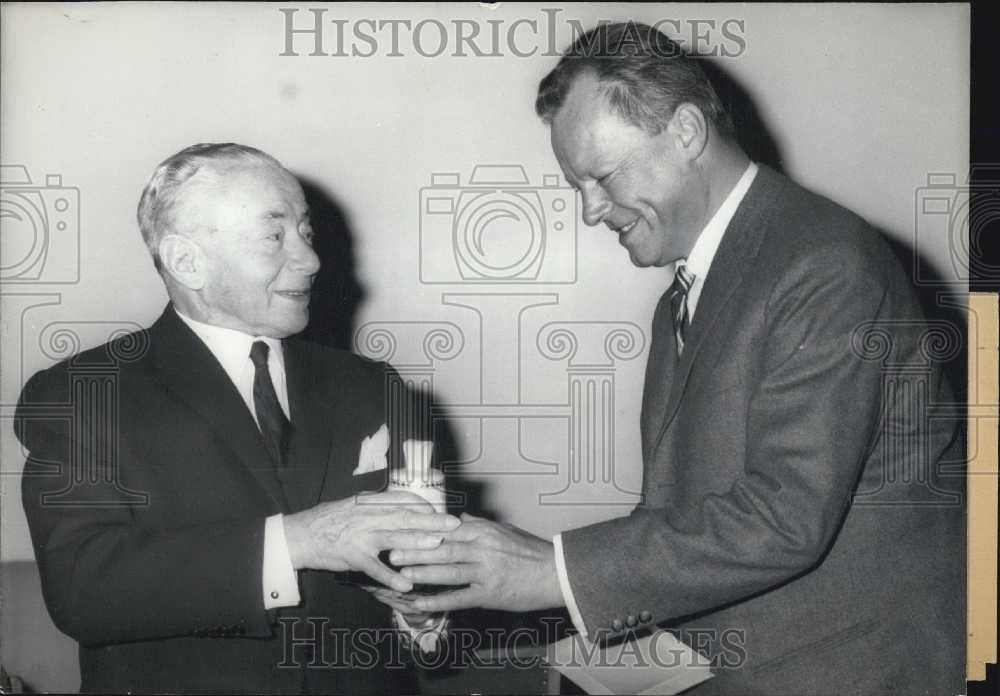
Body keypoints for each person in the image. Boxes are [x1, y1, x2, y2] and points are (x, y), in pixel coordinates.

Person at [392, 22, 965, 695]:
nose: (590, 210)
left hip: (854, 667)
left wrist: (551, 571)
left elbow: (786, 517)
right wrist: (500, 577)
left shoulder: (823, 263)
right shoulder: (689, 293)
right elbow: (681, 515)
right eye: (578, 185)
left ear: (686, 133)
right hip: (746, 652)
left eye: (602, 177)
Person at [16, 143, 458, 693]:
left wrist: (423, 614)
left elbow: (428, 601)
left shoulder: (372, 385)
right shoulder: (83, 394)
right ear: (186, 261)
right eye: (275, 236)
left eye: (307, 232)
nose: (311, 259)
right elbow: (82, 589)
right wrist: (296, 542)